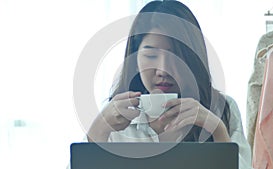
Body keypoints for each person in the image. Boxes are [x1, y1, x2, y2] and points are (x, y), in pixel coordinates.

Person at [87, 1, 252, 168]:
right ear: (135, 60)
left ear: (192, 60)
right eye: (151, 56)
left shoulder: (221, 108)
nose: (163, 70)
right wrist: (98, 129)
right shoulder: (117, 119)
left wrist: (217, 130)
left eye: (176, 57)